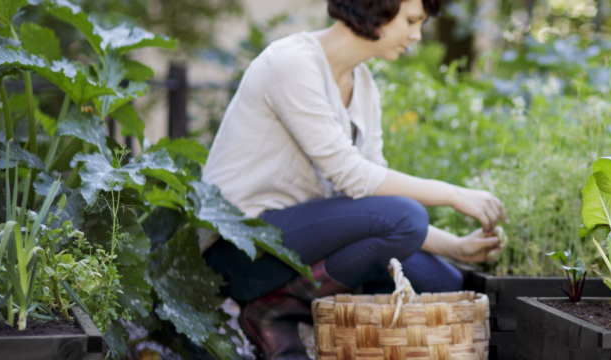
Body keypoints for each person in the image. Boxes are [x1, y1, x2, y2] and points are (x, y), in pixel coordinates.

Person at [199, 0, 504, 358]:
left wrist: (455, 247)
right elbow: (355, 177)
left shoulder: (364, 86)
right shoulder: (292, 62)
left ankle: (319, 323)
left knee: (442, 283)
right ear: (377, 7)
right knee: (408, 218)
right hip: (239, 248)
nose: (417, 35)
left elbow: (374, 203)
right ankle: (274, 311)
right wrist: (453, 194)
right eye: (411, 20)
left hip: (299, 242)